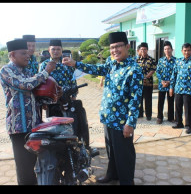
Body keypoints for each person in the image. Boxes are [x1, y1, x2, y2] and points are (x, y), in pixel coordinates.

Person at [62, 32, 143, 185]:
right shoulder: (111, 63)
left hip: (122, 120)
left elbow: (135, 99)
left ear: (127, 46)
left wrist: (130, 123)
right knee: (111, 150)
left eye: (118, 46)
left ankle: (127, 180)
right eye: (112, 47)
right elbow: (97, 69)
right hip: (108, 117)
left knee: (124, 152)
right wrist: (76, 64)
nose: (115, 50)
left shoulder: (134, 70)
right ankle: (112, 174)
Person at [0, 39, 56, 185]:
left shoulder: (28, 71)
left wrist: (54, 94)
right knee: (24, 170)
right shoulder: (6, 70)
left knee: (34, 164)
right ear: (12, 55)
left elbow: (36, 94)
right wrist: (46, 72)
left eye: (28, 53)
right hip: (19, 128)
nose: (28, 56)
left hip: (34, 126)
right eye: (23, 53)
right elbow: (25, 85)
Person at [39, 39, 90, 148]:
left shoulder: (67, 62)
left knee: (70, 125)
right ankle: (57, 150)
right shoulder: (44, 65)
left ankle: (71, 148)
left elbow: (73, 81)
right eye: (53, 49)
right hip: (51, 102)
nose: (56, 51)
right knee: (54, 126)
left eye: (58, 49)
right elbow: (41, 83)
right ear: (49, 50)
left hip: (67, 100)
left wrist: (74, 96)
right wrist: (43, 102)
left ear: (62, 50)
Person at [169, 43, 191, 134]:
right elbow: (173, 75)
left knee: (189, 109)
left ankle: (189, 126)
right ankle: (179, 123)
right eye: (185, 50)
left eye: (189, 50)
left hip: (190, 90)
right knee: (178, 107)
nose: (187, 52)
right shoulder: (178, 61)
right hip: (178, 89)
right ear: (182, 51)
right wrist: (171, 87)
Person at [135, 42, 157, 121]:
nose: (143, 51)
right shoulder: (136, 60)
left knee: (148, 99)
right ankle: (140, 113)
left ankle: (148, 115)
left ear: (147, 50)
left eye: (145, 49)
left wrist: (145, 77)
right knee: (139, 99)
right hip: (138, 84)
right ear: (139, 50)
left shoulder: (151, 59)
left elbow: (153, 70)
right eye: (141, 49)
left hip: (148, 83)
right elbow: (134, 70)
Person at [156, 41, 176, 124]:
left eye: (168, 49)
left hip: (171, 85)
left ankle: (171, 117)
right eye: (165, 49)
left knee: (171, 101)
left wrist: (169, 82)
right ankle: (159, 117)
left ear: (171, 49)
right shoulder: (161, 60)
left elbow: (176, 72)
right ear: (164, 50)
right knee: (160, 101)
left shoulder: (176, 61)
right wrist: (162, 81)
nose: (167, 50)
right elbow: (158, 71)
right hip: (162, 85)